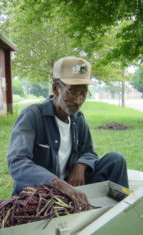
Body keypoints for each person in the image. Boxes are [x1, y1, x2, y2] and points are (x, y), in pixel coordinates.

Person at [7, 56, 128, 209]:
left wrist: (81, 164)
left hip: (73, 189)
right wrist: (57, 183)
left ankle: (120, 213)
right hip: (40, 194)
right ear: (56, 88)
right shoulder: (32, 116)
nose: (78, 101)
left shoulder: (78, 119)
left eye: (83, 94)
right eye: (71, 92)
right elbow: (17, 162)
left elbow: (89, 151)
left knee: (116, 160)